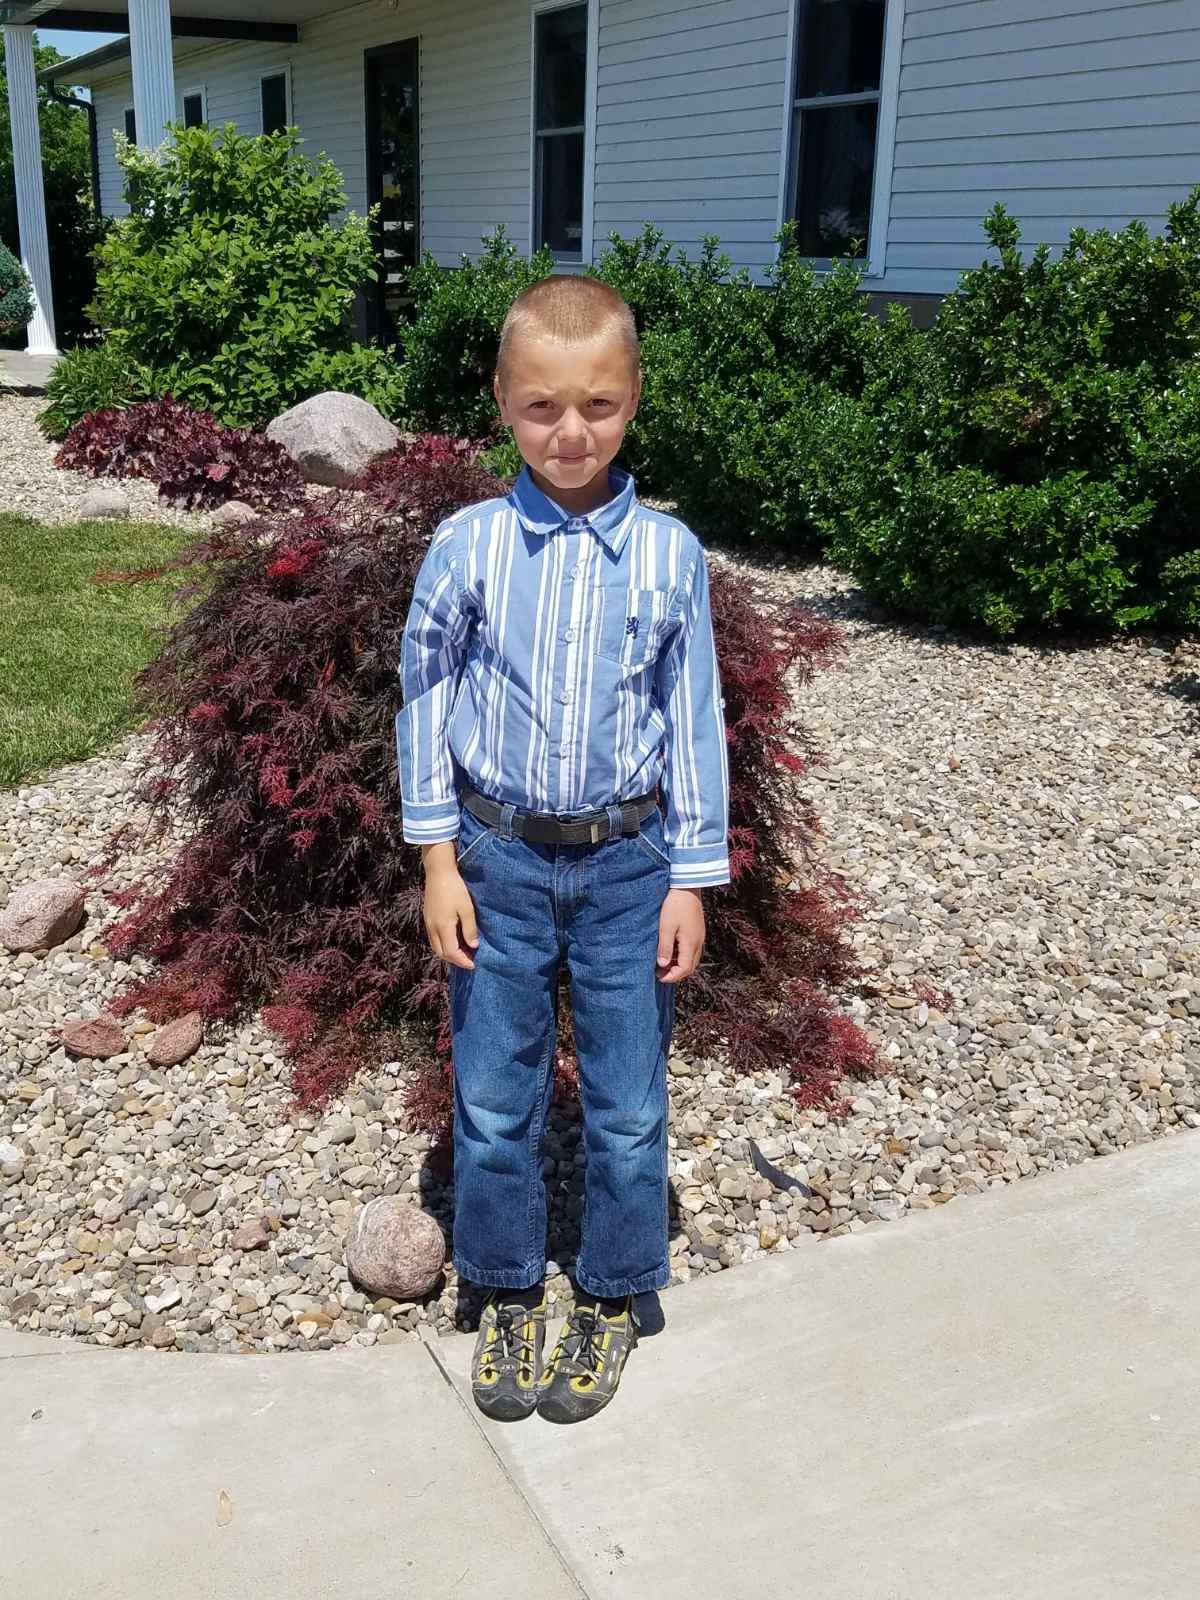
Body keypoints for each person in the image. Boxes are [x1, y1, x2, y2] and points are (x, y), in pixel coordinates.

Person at [395, 275, 730, 1424]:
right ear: (502, 399)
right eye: (542, 406)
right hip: (497, 863)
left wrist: (692, 878)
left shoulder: (671, 554)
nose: (570, 431)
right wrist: (438, 859)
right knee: (495, 1096)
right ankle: (501, 1287)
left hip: (632, 867)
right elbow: (425, 694)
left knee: (629, 1101)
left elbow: (693, 716)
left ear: (633, 399)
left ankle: (613, 1285)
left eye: (598, 404)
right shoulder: (469, 546)